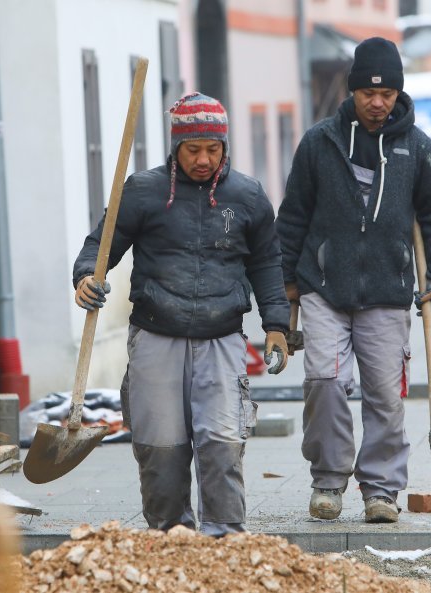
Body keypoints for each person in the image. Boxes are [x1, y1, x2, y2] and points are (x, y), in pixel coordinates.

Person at [72, 92, 291, 537]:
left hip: (222, 339)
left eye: (214, 149)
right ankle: (170, 533)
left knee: (223, 442)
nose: (204, 159)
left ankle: (226, 534)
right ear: (176, 147)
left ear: (225, 147)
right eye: (194, 150)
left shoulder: (247, 197)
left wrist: (276, 325)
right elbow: (101, 245)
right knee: (160, 445)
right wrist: (84, 277)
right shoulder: (142, 192)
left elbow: (267, 264)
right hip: (155, 337)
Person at [276, 37, 431, 523]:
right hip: (323, 287)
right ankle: (329, 482)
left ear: (398, 94)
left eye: (388, 95)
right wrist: (285, 282)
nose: (378, 104)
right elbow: (292, 216)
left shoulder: (417, 148)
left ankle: (381, 490)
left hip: (388, 291)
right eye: (368, 94)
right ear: (352, 91)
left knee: (384, 393)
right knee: (326, 383)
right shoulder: (319, 142)